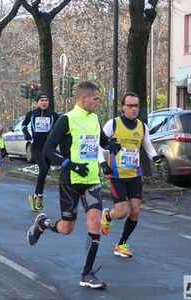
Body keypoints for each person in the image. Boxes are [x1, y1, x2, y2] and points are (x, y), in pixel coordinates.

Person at [27, 81, 119, 289]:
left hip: (92, 180)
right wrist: (71, 164)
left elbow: (102, 142)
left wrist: (112, 144)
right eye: (95, 99)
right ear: (83, 98)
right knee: (67, 228)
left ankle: (87, 274)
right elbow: (49, 149)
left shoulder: (95, 118)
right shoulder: (66, 120)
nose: (98, 103)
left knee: (95, 222)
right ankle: (43, 223)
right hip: (70, 180)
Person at [100, 92, 162, 258]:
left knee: (135, 212)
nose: (134, 109)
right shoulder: (112, 124)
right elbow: (99, 145)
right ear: (123, 107)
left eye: (136, 106)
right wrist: (102, 162)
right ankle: (108, 215)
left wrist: (155, 158)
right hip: (117, 175)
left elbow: (148, 147)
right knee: (121, 212)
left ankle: (121, 244)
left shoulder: (142, 127)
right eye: (130, 106)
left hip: (135, 175)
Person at [22, 92, 60, 211]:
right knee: (43, 169)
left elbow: (60, 127)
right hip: (37, 147)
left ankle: (36, 196)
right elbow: (24, 125)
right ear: (37, 102)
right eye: (42, 100)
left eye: (46, 101)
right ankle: (40, 195)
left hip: (48, 147)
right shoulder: (32, 114)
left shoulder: (53, 115)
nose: (44, 102)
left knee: (44, 172)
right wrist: (27, 134)